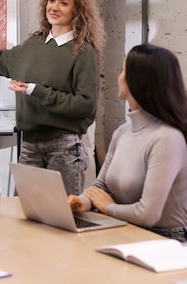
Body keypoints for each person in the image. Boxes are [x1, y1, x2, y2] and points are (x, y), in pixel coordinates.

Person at [0, 0, 105, 195]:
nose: (55, 7)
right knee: (23, 215)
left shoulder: (83, 52)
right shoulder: (34, 44)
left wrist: (36, 91)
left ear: (77, 10)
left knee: (62, 219)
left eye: (64, 2)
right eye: (52, 0)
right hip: (30, 146)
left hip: (64, 148)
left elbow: (85, 105)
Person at [68, 44, 187, 241]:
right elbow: (101, 187)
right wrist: (80, 202)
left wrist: (107, 207)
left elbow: (147, 214)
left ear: (139, 81)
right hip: (125, 229)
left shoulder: (167, 138)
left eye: (123, 70)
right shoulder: (123, 132)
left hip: (164, 241)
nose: (119, 76)